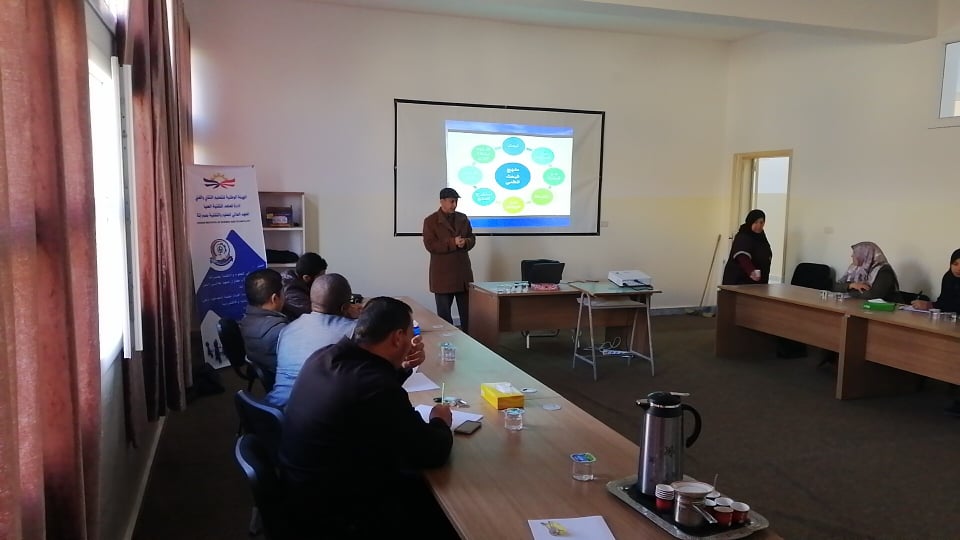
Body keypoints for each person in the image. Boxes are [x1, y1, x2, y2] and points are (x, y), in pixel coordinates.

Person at [280, 297, 455, 538]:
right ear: (397, 338)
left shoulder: (325, 356)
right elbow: (431, 452)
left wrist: (402, 366)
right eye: (408, 334)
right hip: (339, 514)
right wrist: (440, 420)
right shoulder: (375, 387)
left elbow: (371, 391)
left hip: (301, 492)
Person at [266, 273, 360, 407]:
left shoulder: (287, 329)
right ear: (345, 307)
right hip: (309, 415)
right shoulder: (352, 331)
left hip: (272, 409)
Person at [910, 249, 960, 417]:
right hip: (950, 324)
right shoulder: (948, 277)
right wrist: (929, 305)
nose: (958, 268)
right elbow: (944, 302)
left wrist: (933, 306)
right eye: (955, 264)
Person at [423, 187, 475, 332]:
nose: (454, 205)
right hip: (443, 276)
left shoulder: (463, 218)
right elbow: (430, 245)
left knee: (468, 315)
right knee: (444, 316)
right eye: (451, 201)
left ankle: (469, 340)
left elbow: (472, 238)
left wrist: (466, 242)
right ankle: (447, 341)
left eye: (456, 201)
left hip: (462, 275)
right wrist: (453, 242)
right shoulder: (431, 221)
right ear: (442, 201)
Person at [237, 268, 287, 389]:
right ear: (274, 299)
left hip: (264, 369)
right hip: (285, 383)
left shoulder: (245, 320)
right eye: (284, 292)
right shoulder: (281, 332)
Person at [833, 241, 900, 302]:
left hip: (883, 309)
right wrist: (851, 285)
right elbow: (835, 286)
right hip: (857, 306)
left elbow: (874, 296)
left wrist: (848, 291)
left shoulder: (884, 270)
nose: (852, 256)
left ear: (865, 255)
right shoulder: (854, 268)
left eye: (855, 253)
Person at [721, 209, 772, 285]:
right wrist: (751, 271)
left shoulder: (761, 237)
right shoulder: (743, 236)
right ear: (750, 222)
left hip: (757, 283)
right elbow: (742, 256)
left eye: (761, 222)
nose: (759, 225)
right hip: (740, 282)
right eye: (756, 222)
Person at [280, 252, 327, 320]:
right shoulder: (292, 293)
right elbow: (315, 315)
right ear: (306, 278)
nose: (322, 281)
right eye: (320, 277)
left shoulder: (295, 280)